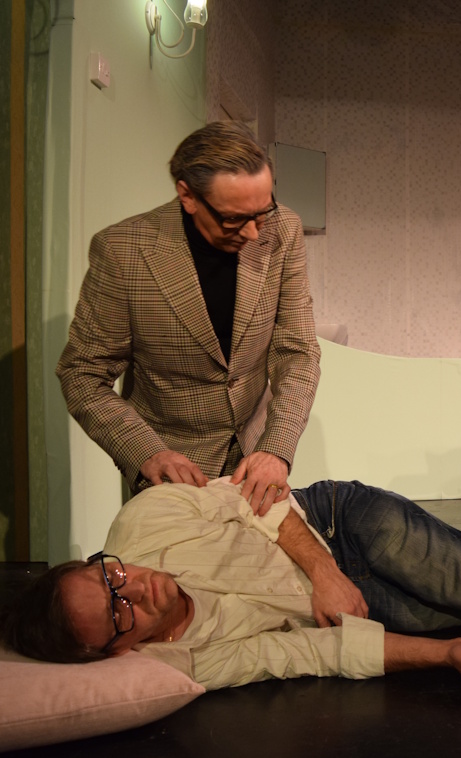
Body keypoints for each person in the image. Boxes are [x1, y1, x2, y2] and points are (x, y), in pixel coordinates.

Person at [0, 478, 461, 690]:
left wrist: (323, 571)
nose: (136, 590)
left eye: (111, 575)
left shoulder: (145, 518)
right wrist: (445, 655)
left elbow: (261, 498)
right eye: (119, 613)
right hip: (351, 608)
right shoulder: (186, 662)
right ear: (118, 650)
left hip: (334, 525)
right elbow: (306, 653)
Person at [57, 121, 320, 515]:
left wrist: (276, 448)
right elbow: (82, 374)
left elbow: (297, 352)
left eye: (263, 212)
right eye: (234, 219)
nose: (253, 233)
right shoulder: (123, 251)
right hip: (172, 467)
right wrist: (146, 453)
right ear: (188, 196)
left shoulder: (284, 230)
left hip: (256, 454)